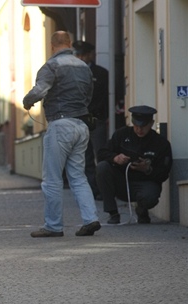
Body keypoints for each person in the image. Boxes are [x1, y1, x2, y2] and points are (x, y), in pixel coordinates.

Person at [22, 31, 101, 237]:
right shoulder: (84, 66)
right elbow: (90, 94)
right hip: (81, 125)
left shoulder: (51, 66)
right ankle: (91, 219)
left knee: (52, 179)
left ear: (52, 46)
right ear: (69, 44)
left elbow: (39, 91)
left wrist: (27, 101)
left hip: (60, 125)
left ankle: (53, 226)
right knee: (78, 176)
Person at [95, 105, 173, 224]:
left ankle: (142, 210)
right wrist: (115, 158)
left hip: (145, 183)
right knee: (102, 168)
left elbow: (164, 173)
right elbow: (102, 153)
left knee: (150, 196)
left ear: (151, 123)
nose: (139, 130)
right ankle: (113, 213)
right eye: (136, 125)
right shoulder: (122, 135)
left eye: (143, 126)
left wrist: (148, 169)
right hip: (121, 181)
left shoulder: (161, 143)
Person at [73, 40, 109, 199]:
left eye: (83, 55)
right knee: (85, 157)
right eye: (78, 55)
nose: (80, 58)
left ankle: (104, 189)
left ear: (89, 55)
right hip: (80, 121)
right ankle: (92, 190)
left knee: (100, 153)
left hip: (97, 119)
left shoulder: (101, 73)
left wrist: (101, 114)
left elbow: (105, 97)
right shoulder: (71, 74)